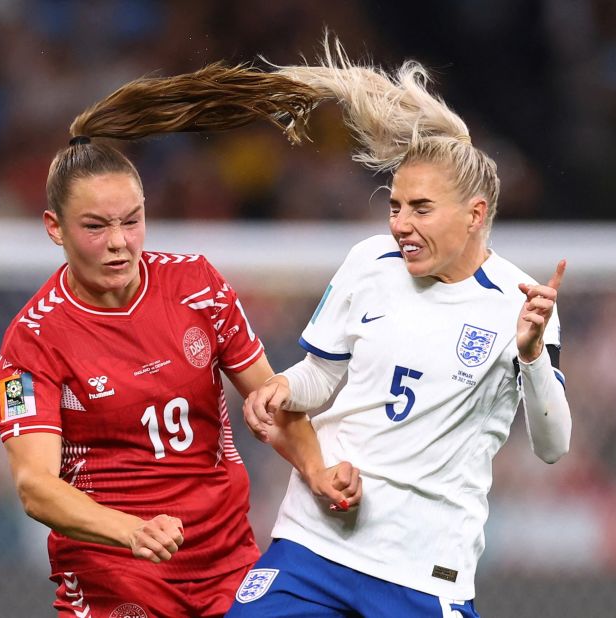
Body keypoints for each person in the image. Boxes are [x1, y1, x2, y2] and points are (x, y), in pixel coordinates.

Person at [229, 38, 573, 618]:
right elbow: (320, 374)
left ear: (475, 215)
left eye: (420, 209)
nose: (401, 226)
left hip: (421, 568)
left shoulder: (519, 303)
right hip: (314, 544)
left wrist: (533, 355)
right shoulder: (369, 263)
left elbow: (553, 446)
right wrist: (283, 388)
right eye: (395, 207)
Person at [0, 64, 318, 618]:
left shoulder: (197, 284)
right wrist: (130, 531)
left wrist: (317, 469)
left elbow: (270, 403)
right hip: (115, 575)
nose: (120, 243)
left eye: (132, 220)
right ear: (54, 227)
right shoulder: (33, 340)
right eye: (96, 227)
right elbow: (35, 486)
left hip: (225, 563)